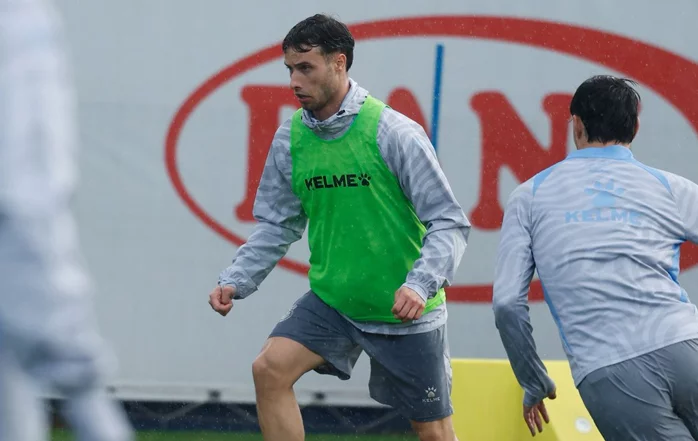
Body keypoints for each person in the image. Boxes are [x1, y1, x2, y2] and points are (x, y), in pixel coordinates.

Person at [208, 13, 470, 441]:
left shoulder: (393, 132)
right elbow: (277, 224)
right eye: (289, 69)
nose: (294, 81)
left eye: (305, 68)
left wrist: (420, 284)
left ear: (339, 63)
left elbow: (449, 221)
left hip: (405, 309)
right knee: (269, 369)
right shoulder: (290, 138)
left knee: (434, 433)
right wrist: (237, 278)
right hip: (334, 302)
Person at [492, 75, 698, 440]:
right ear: (635, 127)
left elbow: (507, 304)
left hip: (611, 370)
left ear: (576, 124)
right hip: (687, 346)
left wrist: (532, 377)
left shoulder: (529, 197)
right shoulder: (671, 188)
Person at [0, 1, 134, 440]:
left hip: (18, 218)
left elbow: (23, 169)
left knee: (75, 379)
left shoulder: (19, 24)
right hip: (22, 214)